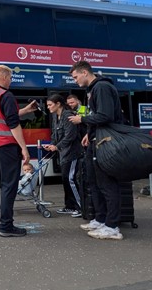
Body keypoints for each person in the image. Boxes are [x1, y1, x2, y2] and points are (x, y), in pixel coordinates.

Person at [67, 61, 124, 241]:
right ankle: (100, 219)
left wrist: (82, 119)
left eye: (76, 77)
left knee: (107, 183)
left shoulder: (102, 87)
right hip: (95, 139)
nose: (75, 81)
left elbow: (106, 115)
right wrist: (89, 134)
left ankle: (113, 226)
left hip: (105, 142)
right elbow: (97, 116)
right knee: (94, 181)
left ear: (85, 72)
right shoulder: (92, 90)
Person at [0, 65, 32, 237]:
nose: (10, 81)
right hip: (6, 146)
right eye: (10, 78)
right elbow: (12, 123)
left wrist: (24, 111)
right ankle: (6, 226)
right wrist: (24, 148)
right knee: (9, 185)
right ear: (3, 76)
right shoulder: (6, 95)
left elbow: (1, 116)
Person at [43, 94, 82, 217]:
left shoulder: (68, 115)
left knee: (70, 179)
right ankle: (69, 206)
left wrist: (57, 146)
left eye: (50, 105)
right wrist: (52, 144)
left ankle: (80, 207)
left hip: (72, 153)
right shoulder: (55, 116)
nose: (48, 108)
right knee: (65, 179)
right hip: (63, 154)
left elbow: (70, 136)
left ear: (58, 104)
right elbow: (55, 133)